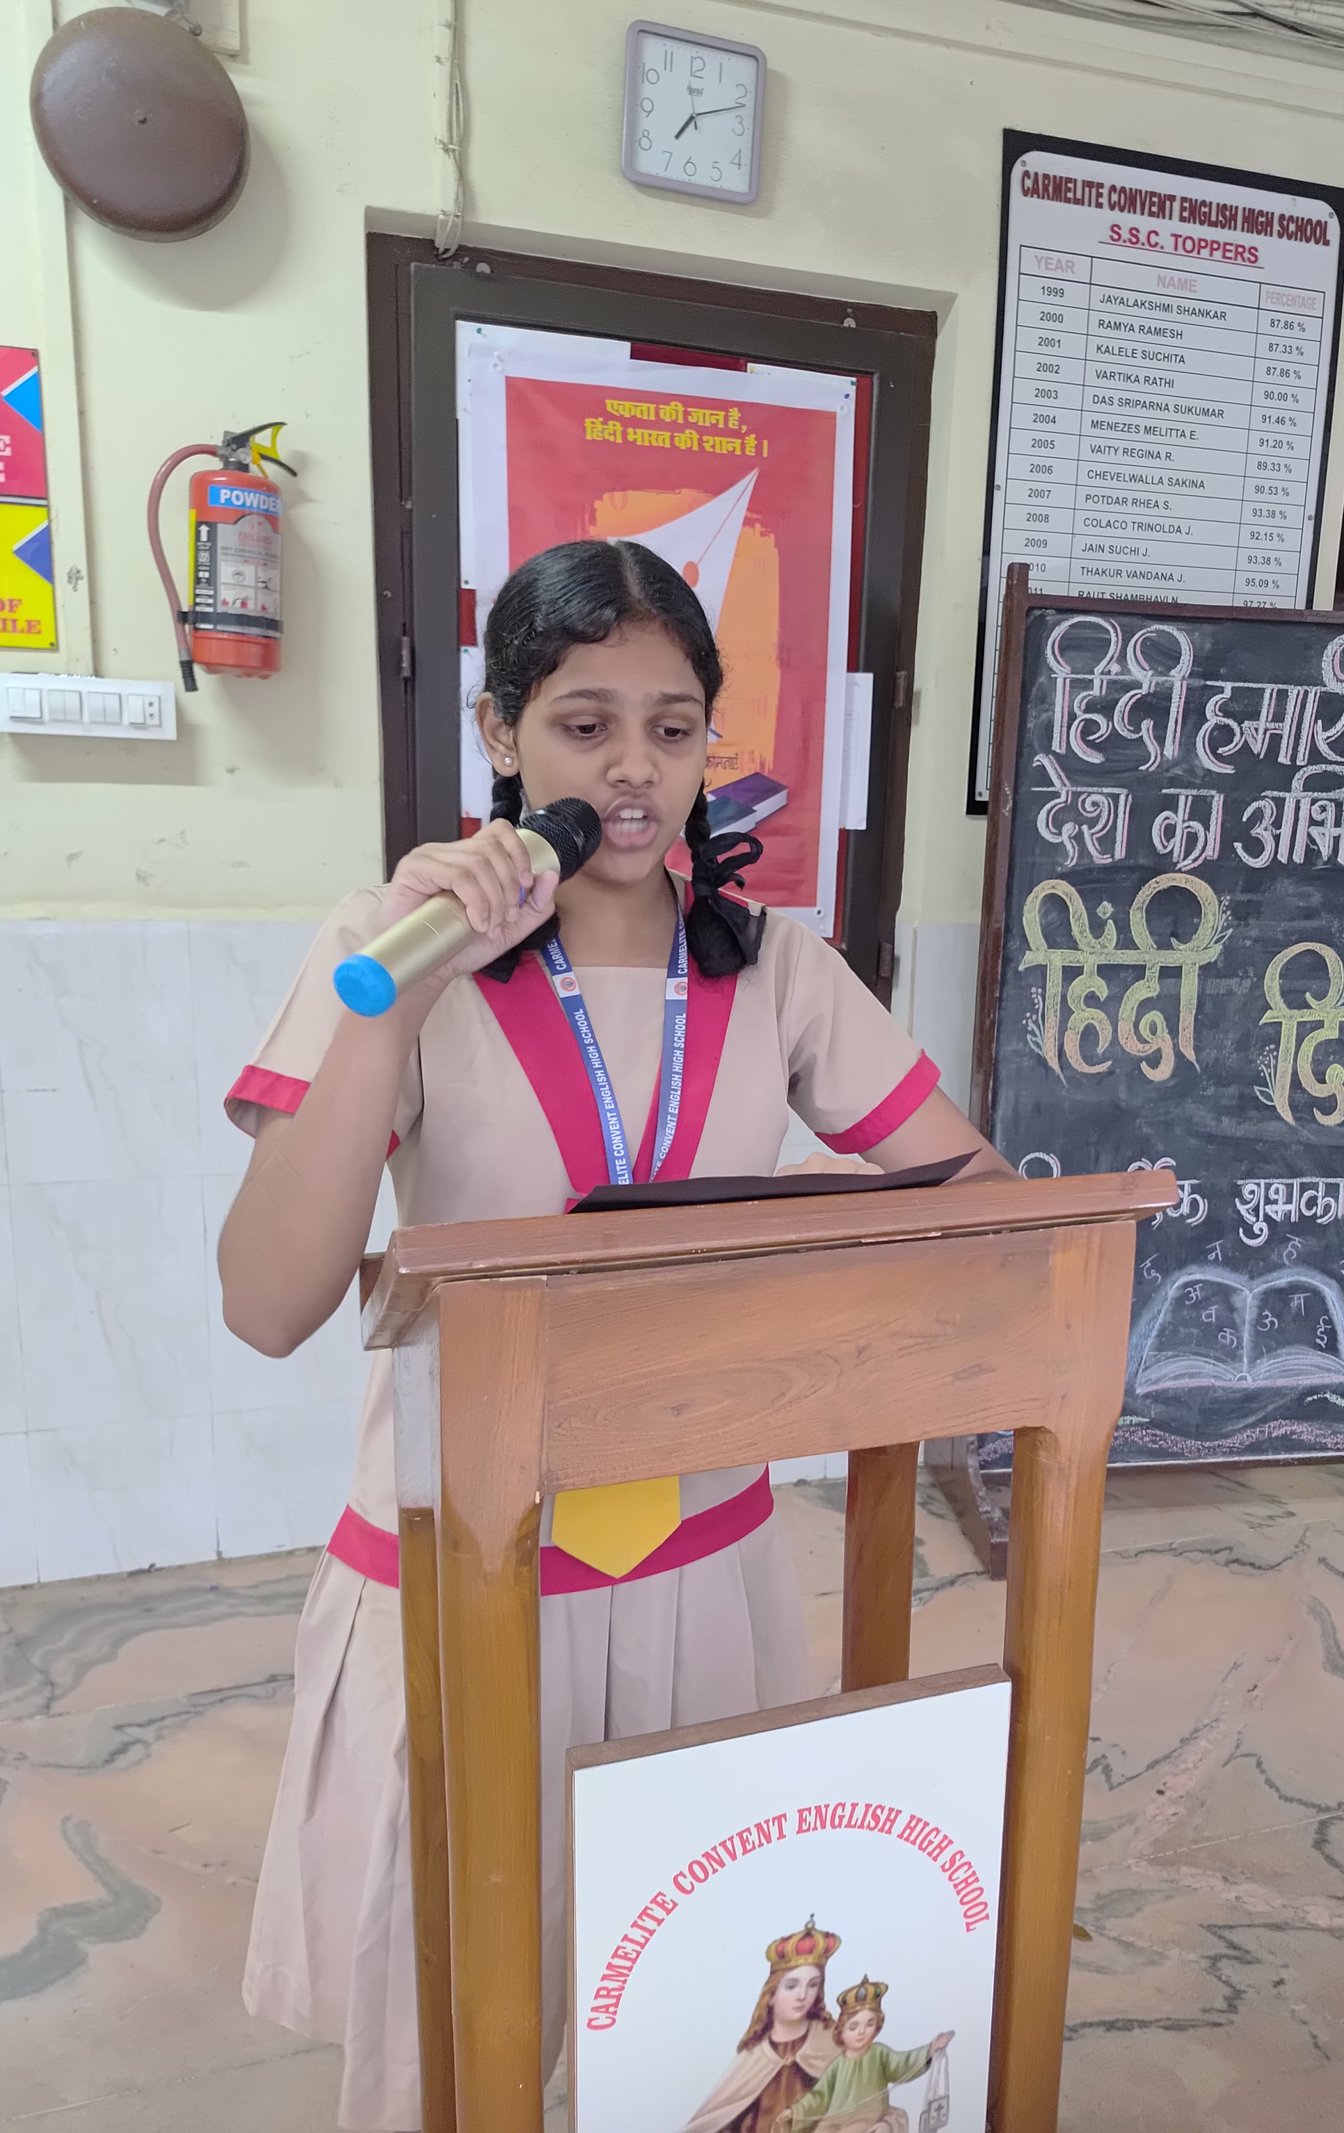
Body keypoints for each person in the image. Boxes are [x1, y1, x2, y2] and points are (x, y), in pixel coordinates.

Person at [218, 537, 1011, 2131]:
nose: (634, 771)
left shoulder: (776, 967)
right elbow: (268, 1301)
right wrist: (393, 996)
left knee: (693, 2018)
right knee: (459, 2025)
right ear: (502, 735)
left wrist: (809, 1242)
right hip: (469, 1570)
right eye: (584, 725)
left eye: (672, 725)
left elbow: (976, 1202)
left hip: (703, 1574)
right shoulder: (392, 950)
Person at [680, 1917, 842, 2132]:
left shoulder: (831, 2039)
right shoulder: (755, 2054)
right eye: (791, 1986)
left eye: (813, 1985)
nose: (803, 1995)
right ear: (771, 1994)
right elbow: (717, 2118)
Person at [778, 1979, 952, 2133]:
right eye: (853, 2027)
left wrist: (929, 2049)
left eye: (869, 2024)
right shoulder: (838, 2065)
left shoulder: (879, 2053)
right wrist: (795, 2112)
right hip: (833, 2123)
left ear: (877, 2026)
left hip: (866, 2119)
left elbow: (902, 2064)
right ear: (841, 2032)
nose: (861, 2032)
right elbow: (819, 2096)